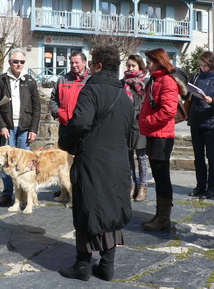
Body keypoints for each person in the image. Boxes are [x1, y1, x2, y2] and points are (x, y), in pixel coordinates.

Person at [58, 46, 133, 282]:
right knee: (111, 209)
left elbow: (80, 123)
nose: (89, 67)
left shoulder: (91, 90)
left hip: (92, 159)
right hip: (119, 160)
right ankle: (107, 265)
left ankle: (82, 264)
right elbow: (131, 130)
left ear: (99, 65)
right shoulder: (125, 94)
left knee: (86, 207)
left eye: (91, 63)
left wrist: (67, 143)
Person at [138, 48, 186, 232]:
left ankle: (163, 218)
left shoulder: (166, 81)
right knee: (159, 177)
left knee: (162, 177)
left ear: (158, 62)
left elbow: (168, 111)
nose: (147, 66)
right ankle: (160, 215)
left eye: (149, 62)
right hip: (154, 134)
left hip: (161, 136)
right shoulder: (155, 79)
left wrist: (146, 121)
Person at [0, 48, 41, 207]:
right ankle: (7, 194)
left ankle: (24, 195)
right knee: (6, 163)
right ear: (9, 62)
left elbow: (37, 107)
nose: (19, 64)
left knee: (25, 164)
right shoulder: (0, 80)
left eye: (22, 62)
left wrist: (33, 129)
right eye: (16, 61)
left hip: (25, 128)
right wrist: (2, 126)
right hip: (8, 128)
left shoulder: (30, 81)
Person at [187, 51, 214, 199]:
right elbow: (188, 93)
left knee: (211, 156)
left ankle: (212, 188)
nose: (203, 67)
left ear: (212, 64)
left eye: (205, 65)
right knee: (198, 156)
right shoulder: (196, 76)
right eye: (201, 65)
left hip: (211, 122)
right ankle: (200, 186)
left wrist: (212, 101)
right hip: (196, 120)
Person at [122, 54, 149, 201]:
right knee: (128, 156)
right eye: (129, 66)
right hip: (126, 122)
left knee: (142, 156)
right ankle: (132, 184)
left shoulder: (146, 82)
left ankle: (143, 186)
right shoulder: (123, 83)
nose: (131, 68)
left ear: (140, 66)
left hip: (140, 122)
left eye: (133, 66)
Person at [49, 51, 90, 140]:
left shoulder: (91, 80)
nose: (74, 65)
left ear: (84, 62)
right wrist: (58, 112)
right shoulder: (62, 80)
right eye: (72, 63)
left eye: (76, 62)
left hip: (84, 128)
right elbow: (53, 100)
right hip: (65, 127)